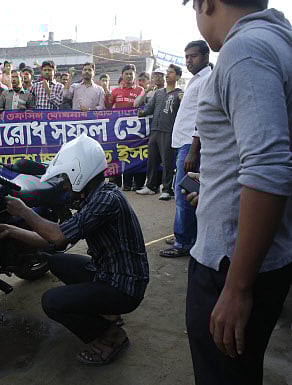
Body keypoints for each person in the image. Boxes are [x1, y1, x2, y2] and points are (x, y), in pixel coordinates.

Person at [181, 1, 292, 384]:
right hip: (258, 252)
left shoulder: (244, 50)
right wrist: (214, 194)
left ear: (205, 3)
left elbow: (269, 168)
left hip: (230, 265)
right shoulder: (279, 41)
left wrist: (237, 288)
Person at [0, 134, 149, 365]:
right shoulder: (98, 194)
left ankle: (111, 337)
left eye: (65, 178)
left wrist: (23, 211)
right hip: (109, 272)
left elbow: (57, 237)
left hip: (125, 286)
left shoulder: (106, 200)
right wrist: (11, 231)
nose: (64, 184)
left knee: (52, 301)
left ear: (79, 172)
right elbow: (52, 241)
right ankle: (109, 313)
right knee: (55, 260)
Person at [159, 40, 211, 259]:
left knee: (185, 193)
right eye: (186, 56)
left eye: (194, 56)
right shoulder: (196, 81)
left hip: (191, 147)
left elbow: (203, 116)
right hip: (183, 143)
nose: (189, 60)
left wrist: (193, 151)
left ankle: (183, 242)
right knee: (188, 191)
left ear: (206, 56)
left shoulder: (207, 80)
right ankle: (187, 235)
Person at [136, 64, 183, 200]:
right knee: (152, 160)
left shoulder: (180, 94)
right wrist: (142, 113)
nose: (168, 74)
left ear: (178, 76)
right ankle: (150, 187)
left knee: (167, 161)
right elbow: (149, 109)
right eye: (167, 72)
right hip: (154, 131)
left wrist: (182, 100)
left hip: (168, 131)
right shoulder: (158, 93)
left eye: (171, 72)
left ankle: (167, 189)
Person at [104, 64, 145, 191]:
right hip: (119, 130)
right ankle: (122, 184)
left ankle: (137, 183)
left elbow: (142, 105)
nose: (128, 76)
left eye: (131, 74)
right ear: (122, 75)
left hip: (136, 129)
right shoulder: (115, 91)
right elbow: (109, 106)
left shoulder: (140, 90)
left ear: (134, 76)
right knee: (120, 154)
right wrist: (106, 93)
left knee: (135, 155)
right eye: (126, 73)